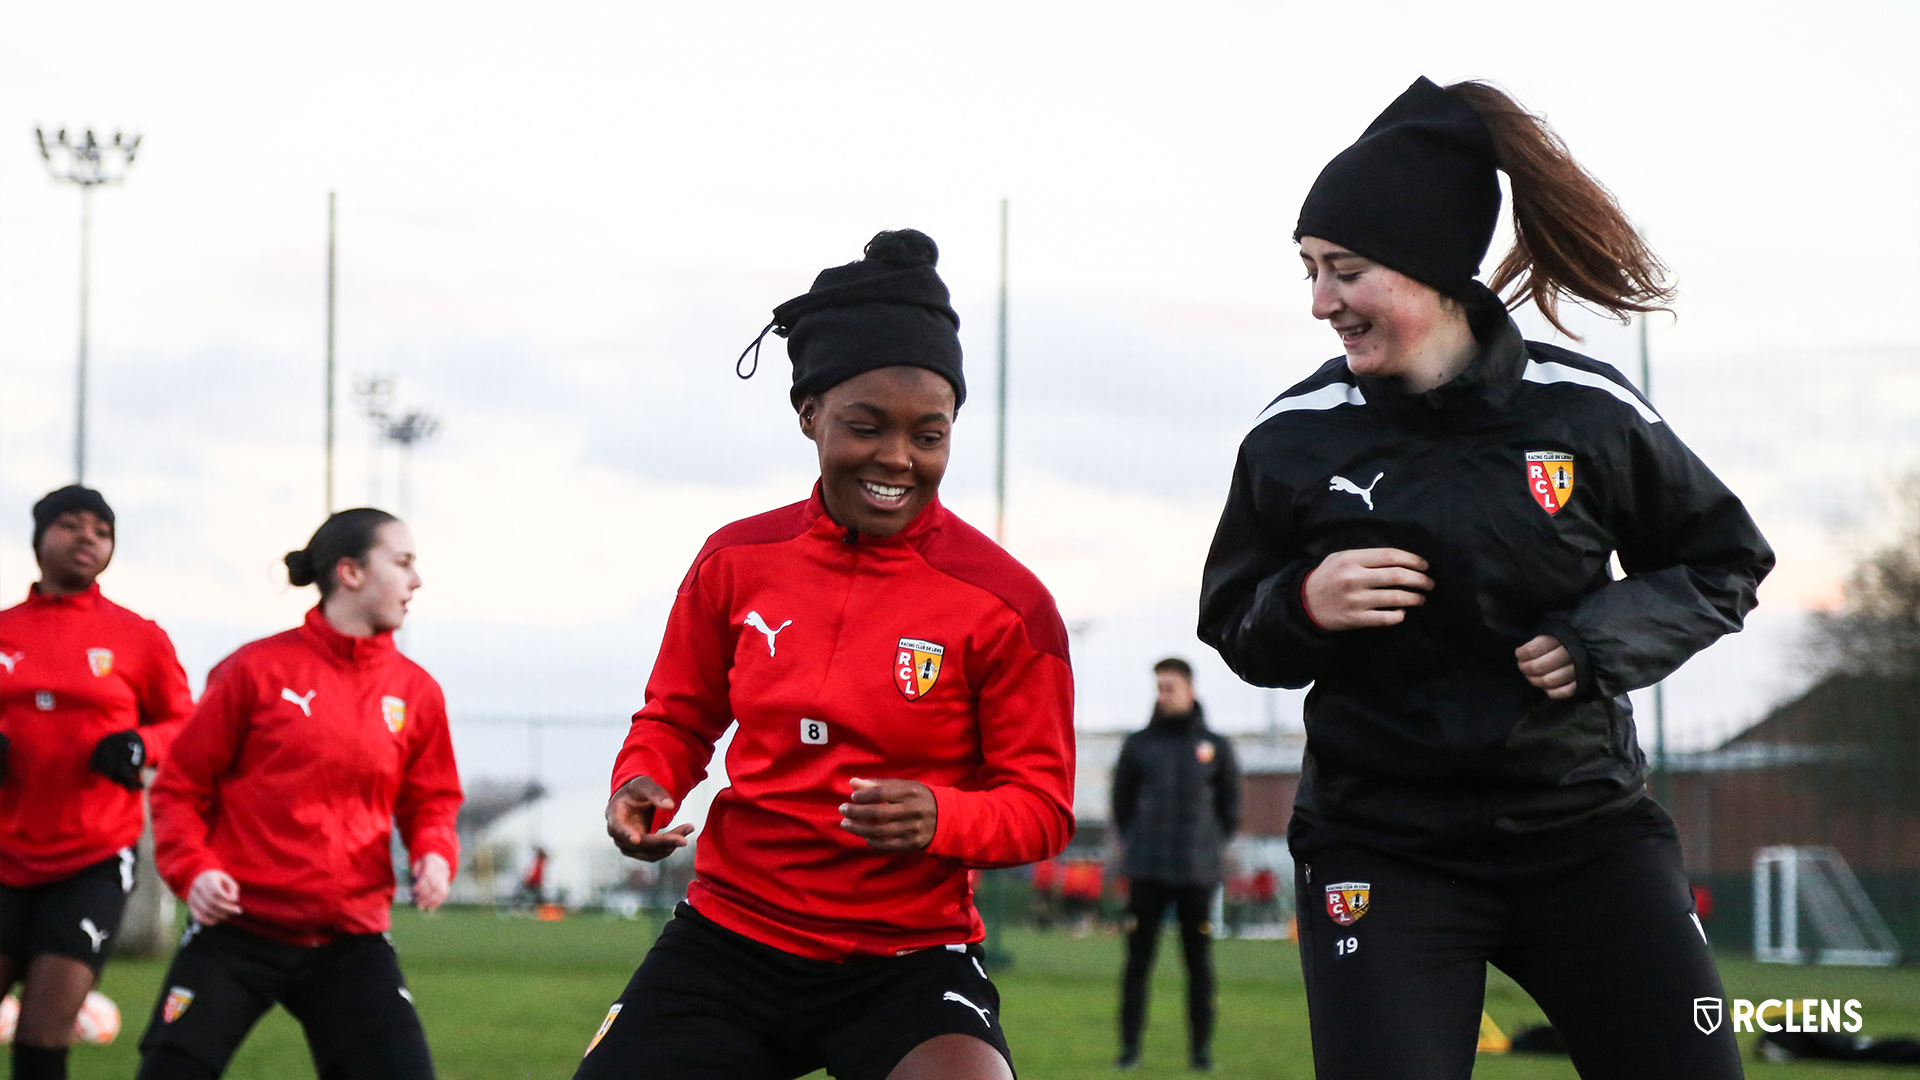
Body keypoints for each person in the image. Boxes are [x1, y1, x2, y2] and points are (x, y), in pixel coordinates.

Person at [1198, 78, 1774, 1080]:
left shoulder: (1584, 413)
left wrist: (1604, 639)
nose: (1321, 301)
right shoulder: (1292, 436)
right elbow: (1232, 621)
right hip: (1382, 849)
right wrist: (1304, 603)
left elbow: (1723, 561)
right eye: (1310, 270)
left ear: (1432, 271)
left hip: (1586, 835)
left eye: (1346, 270)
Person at [579, 229, 1076, 1080]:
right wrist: (645, 781)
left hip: (909, 960)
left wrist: (941, 816)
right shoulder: (736, 560)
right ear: (809, 413)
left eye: (930, 434)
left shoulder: (1007, 604)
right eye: (866, 426)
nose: (897, 458)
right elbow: (680, 714)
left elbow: (1041, 806)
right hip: (732, 939)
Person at [137, 509, 463, 1080]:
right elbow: (180, 789)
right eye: (403, 563)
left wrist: (434, 850)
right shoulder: (253, 670)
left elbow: (432, 799)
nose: (417, 582)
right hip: (237, 928)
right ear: (351, 573)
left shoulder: (416, 691)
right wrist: (195, 871)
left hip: (350, 939)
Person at [0, 486, 194, 1080]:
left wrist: (142, 744)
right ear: (38, 540)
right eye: (70, 524)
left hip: (91, 856)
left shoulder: (138, 636)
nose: (87, 537)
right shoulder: (5, 628)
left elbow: (184, 721)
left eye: (101, 530)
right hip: (2, 853)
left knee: (42, 1029)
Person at [1111, 657, 1240, 1072]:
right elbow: (1122, 806)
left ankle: (1201, 1054)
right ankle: (1129, 1050)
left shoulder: (1215, 748)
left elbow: (1229, 810)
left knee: (1199, 965)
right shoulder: (1138, 745)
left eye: (1169, 687)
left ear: (1190, 690)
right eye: (1158, 687)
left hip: (1196, 874)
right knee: (1137, 964)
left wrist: (1205, 845)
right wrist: (1140, 842)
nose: (1162, 695)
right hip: (1147, 870)